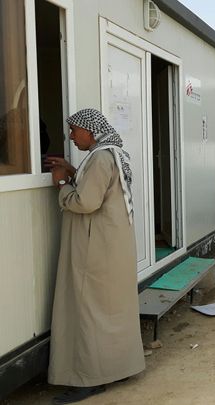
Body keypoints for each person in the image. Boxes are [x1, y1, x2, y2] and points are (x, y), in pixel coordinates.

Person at [45, 108, 144, 404]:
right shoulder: (112, 152)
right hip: (112, 245)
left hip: (95, 248)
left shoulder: (100, 157)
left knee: (89, 310)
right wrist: (74, 171)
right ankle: (119, 367)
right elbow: (102, 187)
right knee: (112, 309)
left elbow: (86, 201)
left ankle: (90, 379)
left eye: (75, 130)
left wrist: (62, 184)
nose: (71, 136)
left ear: (91, 130)